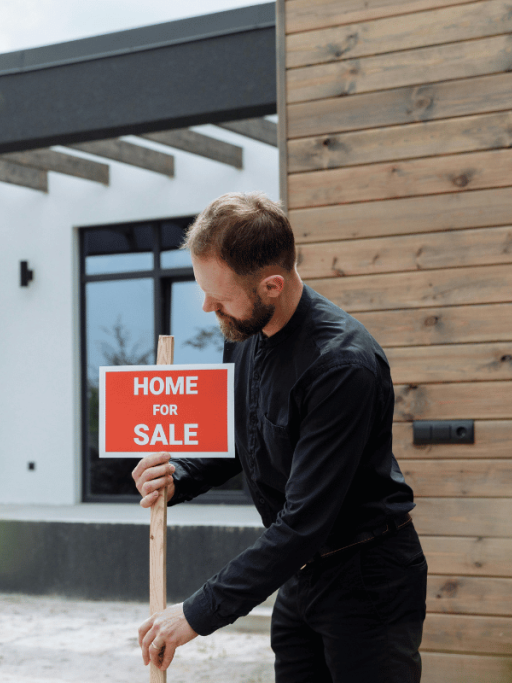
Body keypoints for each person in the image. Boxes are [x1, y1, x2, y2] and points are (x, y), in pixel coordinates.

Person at [132, 192, 427, 683]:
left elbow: (303, 523)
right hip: (299, 577)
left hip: (367, 582)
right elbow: (242, 439)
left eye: (220, 297)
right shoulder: (246, 335)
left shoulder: (342, 365)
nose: (208, 307)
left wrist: (195, 614)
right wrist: (176, 477)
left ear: (271, 285)